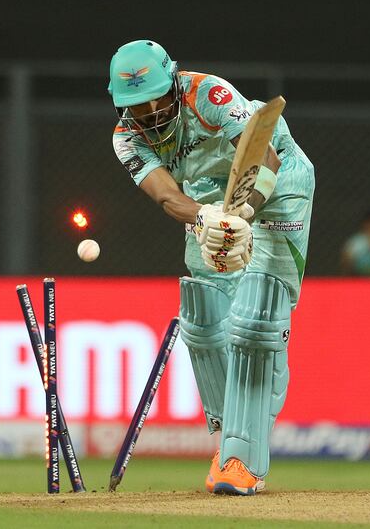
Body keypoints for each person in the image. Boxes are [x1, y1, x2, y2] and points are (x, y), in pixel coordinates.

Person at [108, 40, 315, 495]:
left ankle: (246, 462)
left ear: (173, 83)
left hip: (277, 186)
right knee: (203, 319)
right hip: (207, 195)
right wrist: (205, 219)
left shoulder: (209, 95)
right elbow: (167, 196)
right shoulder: (126, 138)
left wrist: (244, 214)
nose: (149, 113)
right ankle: (227, 447)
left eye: (155, 100)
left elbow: (266, 157)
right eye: (135, 107)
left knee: (257, 320)